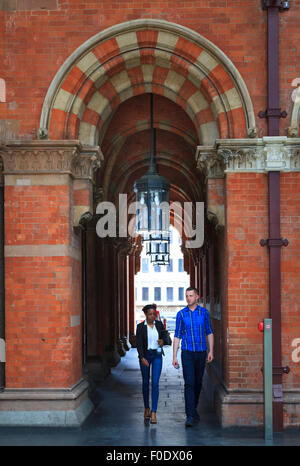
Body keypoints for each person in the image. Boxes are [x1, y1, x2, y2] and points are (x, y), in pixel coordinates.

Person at [172, 286, 214, 427]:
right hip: (187, 353)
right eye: (186, 296)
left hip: (201, 352)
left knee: (198, 383)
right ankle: (190, 415)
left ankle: (193, 410)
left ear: (197, 297)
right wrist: (174, 356)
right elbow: (177, 335)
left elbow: (209, 332)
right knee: (189, 383)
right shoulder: (181, 314)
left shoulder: (204, 313)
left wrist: (211, 351)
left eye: (191, 295)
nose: (188, 298)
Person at [136, 304, 170, 424]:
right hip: (145, 357)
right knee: (145, 382)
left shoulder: (159, 325)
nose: (152, 316)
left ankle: (154, 412)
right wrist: (141, 357)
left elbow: (166, 338)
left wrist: (163, 341)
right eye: (149, 314)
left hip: (157, 356)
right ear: (145, 314)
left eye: (153, 314)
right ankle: (147, 408)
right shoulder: (140, 327)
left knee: (155, 383)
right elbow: (139, 344)